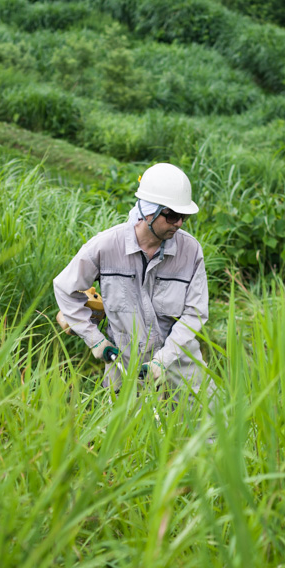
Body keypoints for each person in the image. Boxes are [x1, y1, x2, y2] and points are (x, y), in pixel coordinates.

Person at [53, 162, 213, 399]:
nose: (179, 223)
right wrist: (96, 341)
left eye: (184, 216)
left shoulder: (190, 251)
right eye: (172, 216)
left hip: (181, 364)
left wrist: (164, 358)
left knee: (209, 431)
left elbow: (195, 313)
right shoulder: (106, 246)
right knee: (132, 434)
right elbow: (66, 289)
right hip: (125, 367)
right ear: (149, 211)